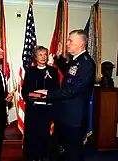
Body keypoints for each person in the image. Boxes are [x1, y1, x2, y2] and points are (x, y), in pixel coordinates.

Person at [35, 29, 96, 161]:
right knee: (62, 151)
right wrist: (57, 58)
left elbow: (71, 90)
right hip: (66, 115)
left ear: (81, 43)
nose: (67, 43)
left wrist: (48, 93)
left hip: (74, 117)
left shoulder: (86, 63)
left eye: (70, 41)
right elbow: (68, 70)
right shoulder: (76, 60)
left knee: (73, 153)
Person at [21, 45, 60, 161]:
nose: (43, 57)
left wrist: (47, 95)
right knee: (32, 135)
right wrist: (35, 95)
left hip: (47, 110)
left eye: (45, 54)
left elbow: (57, 90)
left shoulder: (53, 71)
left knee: (45, 135)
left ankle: (44, 156)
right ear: (35, 57)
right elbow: (25, 91)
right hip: (33, 109)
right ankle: (32, 157)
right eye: (40, 54)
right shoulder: (30, 71)